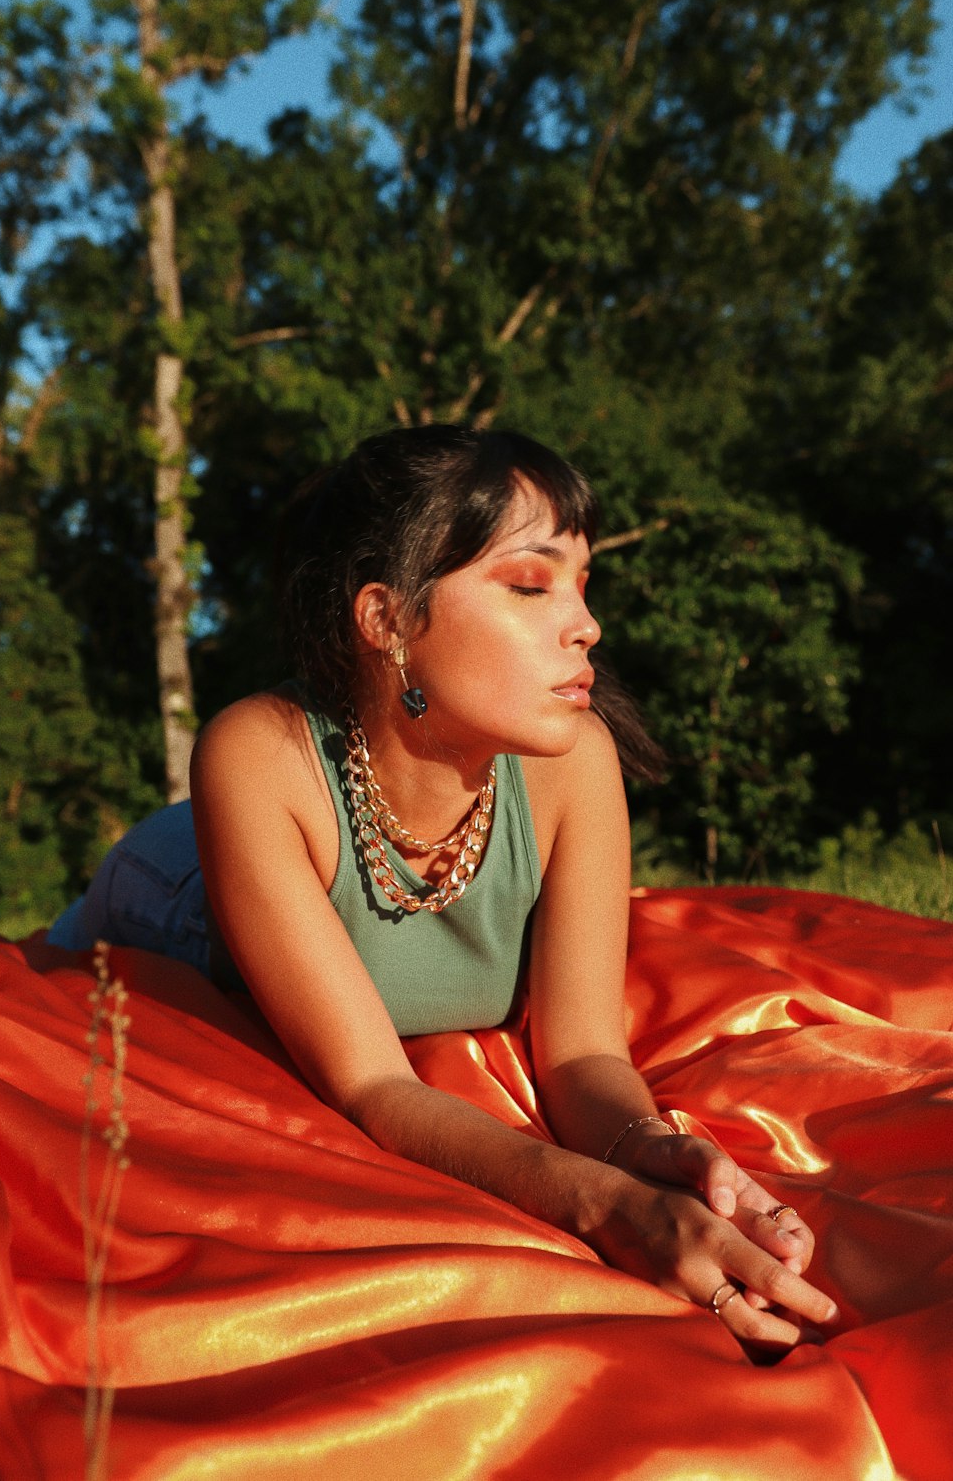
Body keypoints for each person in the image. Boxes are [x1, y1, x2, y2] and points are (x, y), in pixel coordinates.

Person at [49, 423, 838, 1350]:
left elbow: (582, 1054)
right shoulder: (255, 758)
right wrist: (607, 1210)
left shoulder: (576, 763)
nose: (586, 624)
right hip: (167, 897)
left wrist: (652, 1153)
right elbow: (375, 1087)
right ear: (386, 620)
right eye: (531, 584)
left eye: (583, 584)